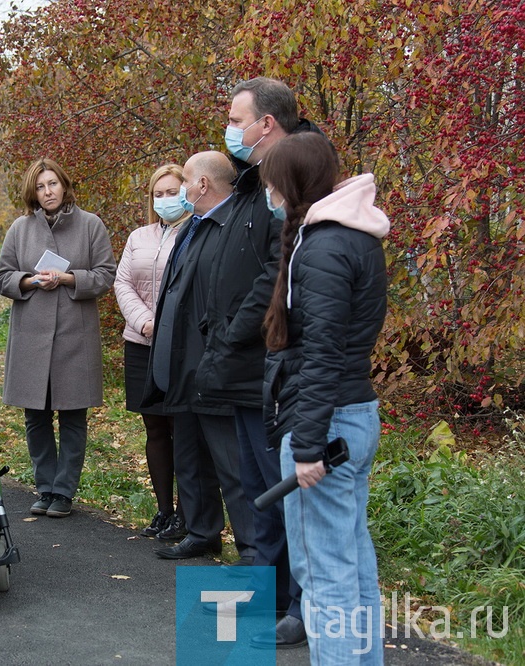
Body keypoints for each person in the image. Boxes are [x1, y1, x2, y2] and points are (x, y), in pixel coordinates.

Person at [194, 77, 324, 648]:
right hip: (249, 367)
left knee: (282, 487)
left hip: (272, 364)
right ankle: (265, 597)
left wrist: (228, 340)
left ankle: (298, 603)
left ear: (266, 124)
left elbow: (275, 275)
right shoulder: (255, 179)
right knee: (256, 486)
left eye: (235, 119)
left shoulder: (298, 178)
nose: (231, 130)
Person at [261, 132, 389, 664]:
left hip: (328, 422)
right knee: (353, 563)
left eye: (271, 181)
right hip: (354, 414)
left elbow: (323, 354)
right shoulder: (357, 236)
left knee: (325, 574)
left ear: (288, 183)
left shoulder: (325, 246)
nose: (267, 191)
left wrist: (309, 444)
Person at [142, 152, 256, 563]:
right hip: (181, 368)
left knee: (231, 468)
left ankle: (253, 552)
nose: (181, 190)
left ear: (203, 185)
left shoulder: (233, 226)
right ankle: (202, 530)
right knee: (188, 455)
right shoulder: (193, 227)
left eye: (186, 182)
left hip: (213, 368)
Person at [0, 158, 116, 518]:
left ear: (64, 185)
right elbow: (2, 276)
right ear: (33, 192)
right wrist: (31, 280)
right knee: (36, 416)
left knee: (73, 416)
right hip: (31, 335)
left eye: (53, 184)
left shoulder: (91, 225)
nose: (48, 192)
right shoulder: (20, 228)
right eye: (40, 187)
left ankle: (64, 492)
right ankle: (45, 486)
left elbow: (106, 274)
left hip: (73, 336)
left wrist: (68, 278)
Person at [113, 164, 188, 539]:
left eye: (172, 192)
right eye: (158, 194)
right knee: (154, 428)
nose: (164, 200)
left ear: (188, 192)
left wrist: (168, 328)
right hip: (141, 343)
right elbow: (123, 282)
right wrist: (145, 322)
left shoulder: (197, 232)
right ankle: (163, 510)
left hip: (180, 347)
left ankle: (188, 513)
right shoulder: (138, 236)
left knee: (183, 429)